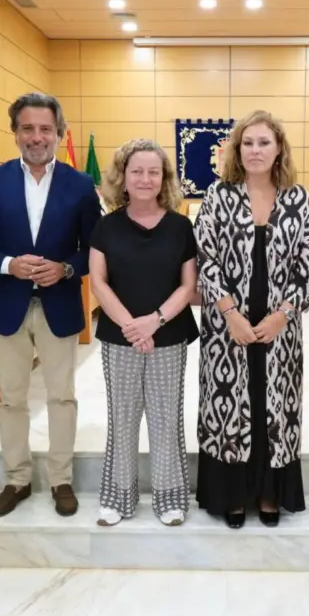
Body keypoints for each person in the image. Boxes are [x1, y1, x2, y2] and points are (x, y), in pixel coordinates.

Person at [0, 93, 101, 518]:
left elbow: (93, 249)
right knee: (11, 398)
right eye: (28, 128)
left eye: (45, 129)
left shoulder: (80, 185)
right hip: (7, 305)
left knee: (62, 397)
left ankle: (61, 479)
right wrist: (8, 264)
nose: (36, 137)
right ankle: (17, 479)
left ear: (59, 134)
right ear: (15, 132)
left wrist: (64, 269)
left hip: (59, 305)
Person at [194, 109, 309, 529]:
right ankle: (232, 494)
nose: (255, 150)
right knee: (230, 404)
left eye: (264, 142)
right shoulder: (219, 195)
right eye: (247, 143)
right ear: (237, 149)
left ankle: (268, 492)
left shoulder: (298, 197)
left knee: (273, 404)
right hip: (227, 327)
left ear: (279, 147)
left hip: (280, 327)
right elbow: (205, 258)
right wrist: (229, 314)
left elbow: (307, 259)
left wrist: (284, 314)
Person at [89, 139, 198, 527]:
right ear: (123, 176)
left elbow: (188, 286)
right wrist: (132, 327)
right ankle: (119, 497)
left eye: (154, 171)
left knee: (167, 418)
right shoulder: (106, 225)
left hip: (168, 334)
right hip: (120, 338)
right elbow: (99, 284)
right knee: (123, 418)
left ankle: (170, 498)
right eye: (137, 171)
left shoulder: (181, 226)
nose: (145, 178)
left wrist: (154, 321)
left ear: (164, 178)